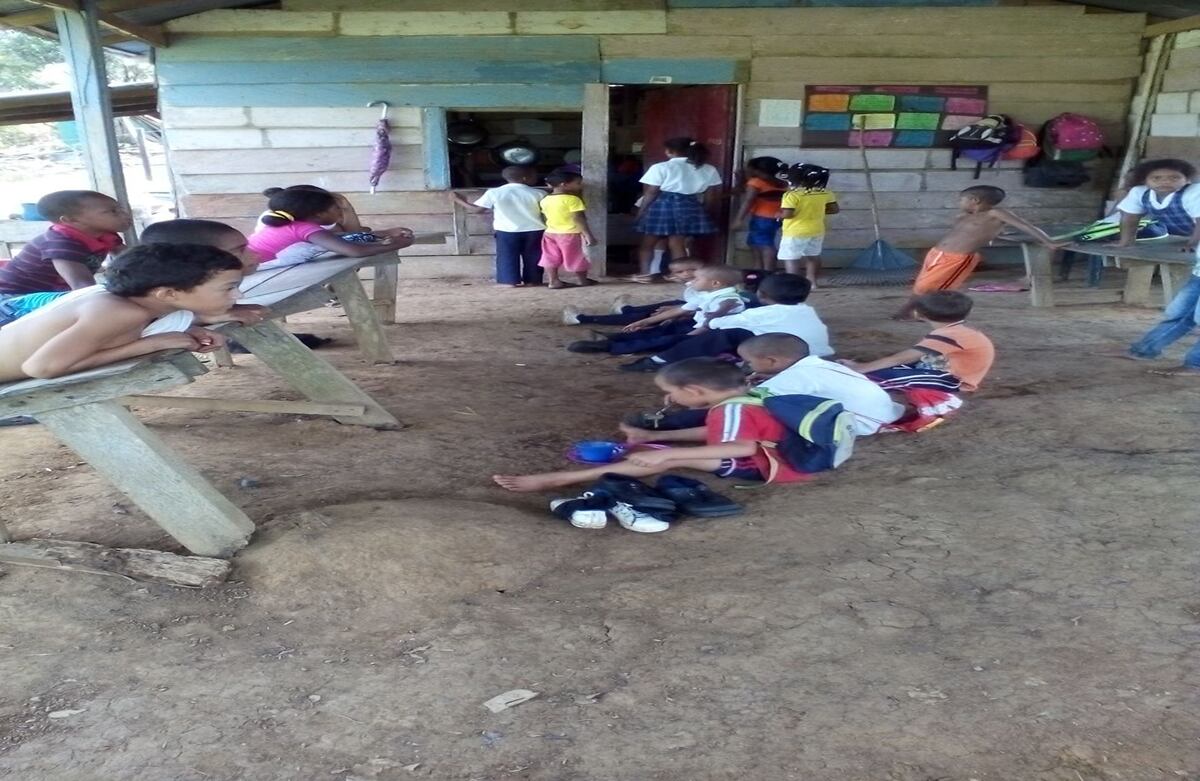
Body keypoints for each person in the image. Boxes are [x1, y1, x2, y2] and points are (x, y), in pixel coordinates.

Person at [492, 358, 808, 492]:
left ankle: (561, 479)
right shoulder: (745, 399)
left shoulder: (731, 412)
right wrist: (655, 435)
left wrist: (667, 455)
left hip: (765, 465)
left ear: (694, 392)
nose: (668, 398)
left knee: (654, 459)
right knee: (652, 448)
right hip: (778, 452)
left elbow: (742, 446)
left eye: (670, 393)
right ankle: (652, 448)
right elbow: (716, 434)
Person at [0, 243, 246, 382]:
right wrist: (148, 345)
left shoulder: (126, 303)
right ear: (168, 293)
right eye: (229, 288)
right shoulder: (122, 313)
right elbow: (41, 368)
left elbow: (104, 337)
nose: (238, 296)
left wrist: (188, 330)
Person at [622, 333, 902, 441]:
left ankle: (665, 426)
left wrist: (708, 401)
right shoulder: (813, 364)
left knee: (733, 411)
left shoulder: (790, 379)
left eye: (748, 361)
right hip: (882, 411)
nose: (746, 366)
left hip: (860, 424)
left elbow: (740, 403)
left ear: (771, 360)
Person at [0, 219, 268, 328]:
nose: (254, 255)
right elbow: (129, 322)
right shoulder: (132, 300)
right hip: (11, 315)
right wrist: (199, 318)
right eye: (240, 249)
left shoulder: (162, 289)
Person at [894, 185, 1061, 319]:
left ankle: (910, 312)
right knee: (923, 286)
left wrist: (1049, 241)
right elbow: (971, 232)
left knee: (928, 287)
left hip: (957, 258)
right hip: (937, 254)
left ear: (975, 200)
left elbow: (1025, 226)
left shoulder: (996, 213)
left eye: (962, 200)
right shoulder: (966, 215)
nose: (960, 203)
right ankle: (919, 312)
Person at [620, 272, 832, 372]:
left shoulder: (758, 314)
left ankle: (658, 361)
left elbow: (715, 324)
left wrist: (712, 316)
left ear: (761, 294)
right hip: (819, 356)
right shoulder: (807, 311)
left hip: (789, 362)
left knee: (725, 335)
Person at [567, 265, 744, 356]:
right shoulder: (706, 294)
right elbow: (679, 310)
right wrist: (644, 321)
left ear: (715, 283)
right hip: (697, 325)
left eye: (697, 279)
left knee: (668, 339)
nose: (693, 282)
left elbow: (713, 320)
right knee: (663, 328)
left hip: (710, 334)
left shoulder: (729, 300)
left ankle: (610, 346)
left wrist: (693, 334)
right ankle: (615, 337)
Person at [841, 291, 994, 393]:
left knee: (872, 380)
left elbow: (901, 358)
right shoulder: (957, 331)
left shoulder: (949, 334)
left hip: (953, 380)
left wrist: (861, 368)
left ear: (918, 314)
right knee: (877, 372)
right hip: (937, 368)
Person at [0, 190, 130, 297]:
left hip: (53, 291)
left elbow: (132, 259)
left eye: (120, 209)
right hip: (15, 296)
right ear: (71, 220)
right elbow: (83, 286)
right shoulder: (62, 243)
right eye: (113, 211)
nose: (124, 215)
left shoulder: (105, 233)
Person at [247, 188, 414, 267]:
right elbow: (354, 251)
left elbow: (339, 238)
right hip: (252, 269)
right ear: (319, 213)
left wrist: (385, 233)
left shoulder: (293, 224)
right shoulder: (305, 229)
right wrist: (401, 244)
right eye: (337, 209)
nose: (341, 214)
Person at [634, 137, 723, 282]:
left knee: (648, 243)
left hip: (662, 206)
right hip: (690, 205)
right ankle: (680, 276)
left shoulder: (661, 167)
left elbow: (651, 192)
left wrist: (641, 211)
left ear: (669, 151)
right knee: (677, 243)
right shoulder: (708, 169)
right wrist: (705, 212)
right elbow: (711, 196)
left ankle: (645, 274)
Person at [449, 165, 546, 287]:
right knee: (534, 256)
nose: (536, 178)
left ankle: (508, 282)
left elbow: (478, 210)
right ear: (525, 178)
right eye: (534, 176)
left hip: (506, 231)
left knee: (507, 256)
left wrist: (458, 200)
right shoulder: (539, 193)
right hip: (535, 230)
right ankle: (533, 281)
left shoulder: (494, 192)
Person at [561, 257, 704, 327]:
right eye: (679, 272)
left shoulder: (708, 283)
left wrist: (679, 310)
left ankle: (581, 319)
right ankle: (627, 310)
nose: (685, 274)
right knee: (672, 304)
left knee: (650, 315)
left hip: (698, 316)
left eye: (692, 270)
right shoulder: (698, 282)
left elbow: (702, 305)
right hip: (693, 308)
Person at [1115, 158, 1199, 249]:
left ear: (1187, 180)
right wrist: (1125, 243)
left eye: (1174, 178)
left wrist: (1192, 245)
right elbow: (1129, 219)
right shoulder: (1139, 192)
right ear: (1145, 181)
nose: (1165, 181)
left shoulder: (1194, 192)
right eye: (1156, 178)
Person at [778, 163, 838, 284]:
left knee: (791, 258)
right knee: (813, 256)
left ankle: (794, 283)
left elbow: (788, 214)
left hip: (795, 232)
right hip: (817, 230)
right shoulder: (826, 193)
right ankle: (812, 282)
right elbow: (834, 209)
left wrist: (778, 216)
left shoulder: (791, 195)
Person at [539, 171, 596, 289]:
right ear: (563, 184)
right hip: (570, 233)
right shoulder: (573, 200)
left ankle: (553, 281)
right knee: (576, 257)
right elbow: (578, 219)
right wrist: (588, 235)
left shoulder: (545, 199)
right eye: (578, 183)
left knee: (550, 257)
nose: (580, 186)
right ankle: (582, 280)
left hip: (550, 232)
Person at [733, 157, 788, 270]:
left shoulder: (756, 182)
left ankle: (768, 271)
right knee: (756, 242)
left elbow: (748, 200)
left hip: (762, 218)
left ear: (758, 171)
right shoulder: (783, 183)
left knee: (765, 244)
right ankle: (759, 268)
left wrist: (739, 219)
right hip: (777, 217)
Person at [260, 185, 368, 234]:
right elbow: (354, 235)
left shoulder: (289, 213)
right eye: (337, 208)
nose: (340, 212)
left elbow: (353, 233)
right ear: (318, 213)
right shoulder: (300, 227)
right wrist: (347, 208)